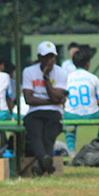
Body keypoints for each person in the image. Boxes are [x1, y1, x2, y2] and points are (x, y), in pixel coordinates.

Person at [22, 41, 69, 175]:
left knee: (49, 136)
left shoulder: (61, 72)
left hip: (54, 112)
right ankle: (45, 161)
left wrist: (45, 77)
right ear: (39, 57)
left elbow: (55, 97)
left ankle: (42, 163)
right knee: (35, 133)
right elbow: (28, 99)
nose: (49, 60)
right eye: (46, 57)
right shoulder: (29, 71)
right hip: (34, 112)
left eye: (52, 56)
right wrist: (51, 101)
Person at [63, 48, 99, 157]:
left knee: (68, 124)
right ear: (88, 63)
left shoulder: (67, 78)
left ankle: (72, 150)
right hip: (92, 113)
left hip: (71, 115)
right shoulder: (93, 78)